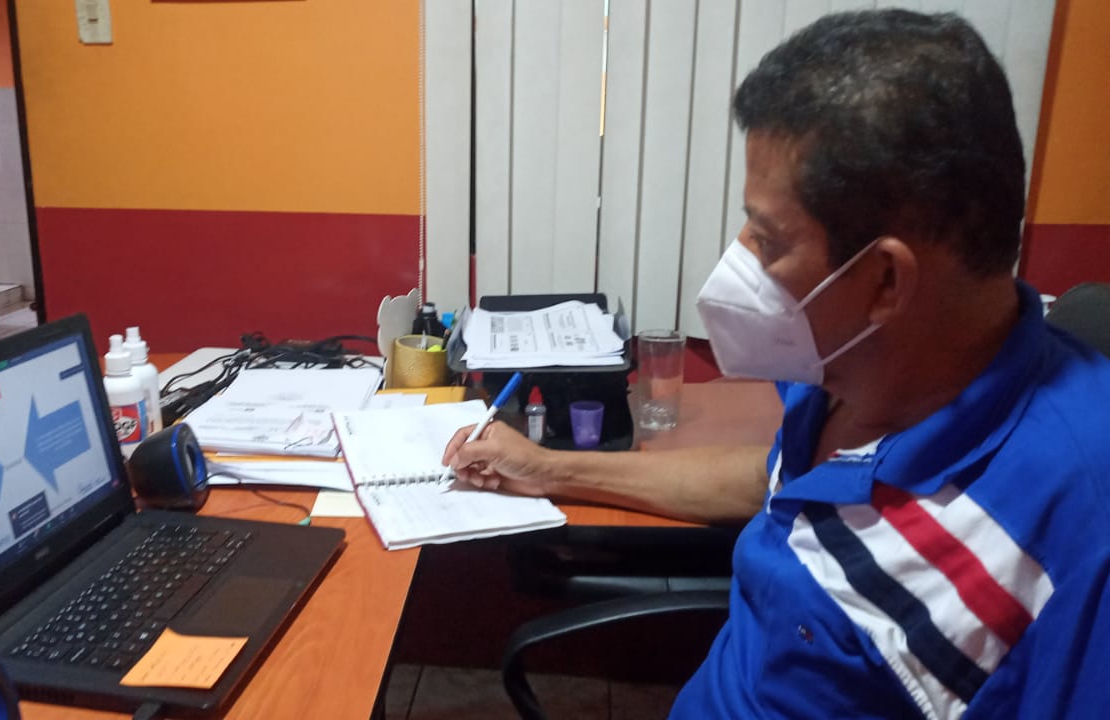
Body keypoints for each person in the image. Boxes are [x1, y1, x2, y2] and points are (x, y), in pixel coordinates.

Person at [443, 9, 1110, 719]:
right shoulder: (847, 367)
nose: (740, 256)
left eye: (766, 238)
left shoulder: (1069, 538)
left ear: (885, 281)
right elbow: (773, 476)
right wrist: (549, 469)